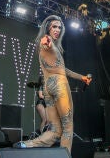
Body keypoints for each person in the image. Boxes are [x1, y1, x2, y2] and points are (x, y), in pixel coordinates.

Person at [14, 15, 92, 153]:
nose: (57, 29)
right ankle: (64, 156)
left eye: (59, 27)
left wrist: (82, 78)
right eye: (54, 26)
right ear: (48, 28)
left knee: (56, 130)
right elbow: (46, 43)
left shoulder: (53, 49)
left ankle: (28, 144)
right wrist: (47, 42)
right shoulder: (47, 41)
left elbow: (64, 70)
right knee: (68, 127)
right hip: (59, 84)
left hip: (47, 87)